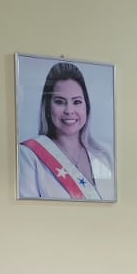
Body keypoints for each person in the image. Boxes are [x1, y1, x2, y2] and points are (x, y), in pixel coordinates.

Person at [18, 61, 113, 201]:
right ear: (47, 106)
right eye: (60, 102)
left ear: (87, 106)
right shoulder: (28, 155)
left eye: (77, 102)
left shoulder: (103, 155)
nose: (69, 110)